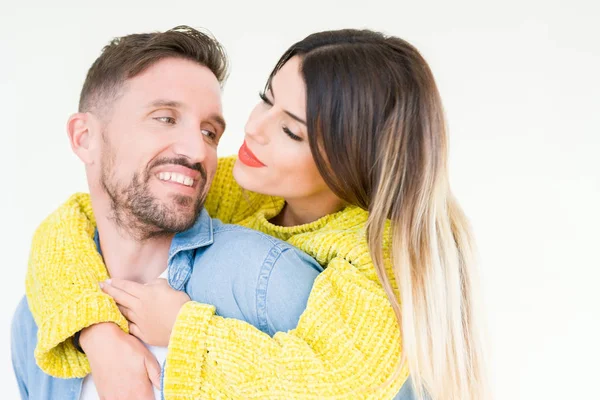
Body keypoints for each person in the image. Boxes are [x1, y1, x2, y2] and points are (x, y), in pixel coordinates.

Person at [17, 28, 488, 399]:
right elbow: (75, 221)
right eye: (266, 98)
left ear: (350, 163)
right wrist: (96, 333)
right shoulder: (247, 187)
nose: (252, 129)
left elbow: (336, 388)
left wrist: (184, 329)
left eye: (290, 131)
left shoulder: (377, 256)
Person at [10, 26, 325, 400]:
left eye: (210, 132)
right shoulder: (38, 321)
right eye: (165, 118)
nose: (196, 150)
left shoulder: (266, 278)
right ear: (85, 138)